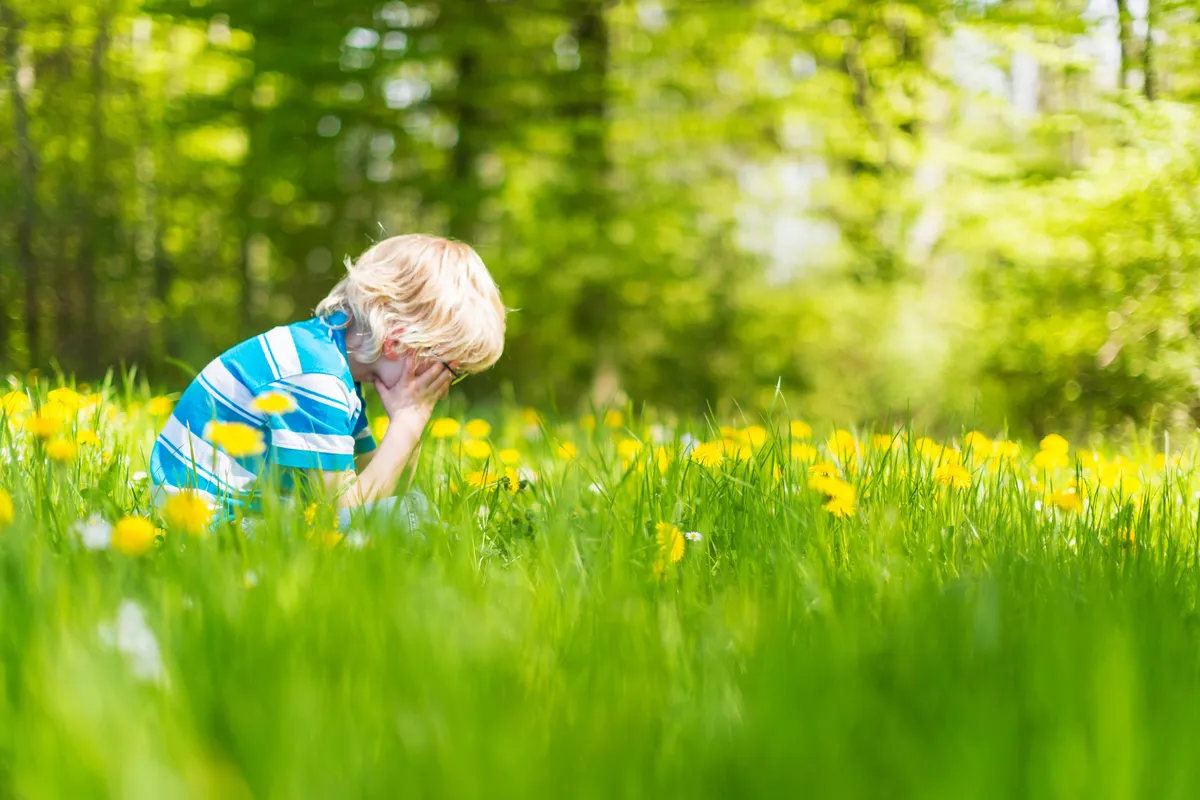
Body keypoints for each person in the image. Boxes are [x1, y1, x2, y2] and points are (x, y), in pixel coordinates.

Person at [149, 234, 506, 531]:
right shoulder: (313, 375)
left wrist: (408, 419)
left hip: (235, 520)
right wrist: (409, 422)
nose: (443, 384)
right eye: (448, 368)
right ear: (398, 340)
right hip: (211, 529)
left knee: (409, 511)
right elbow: (342, 509)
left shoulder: (335, 367)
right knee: (412, 523)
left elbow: (383, 483)